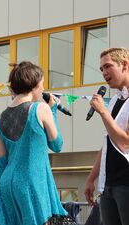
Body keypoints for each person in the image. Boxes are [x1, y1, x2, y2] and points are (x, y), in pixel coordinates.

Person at [0, 61, 67, 225]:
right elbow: (57, 145)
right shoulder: (40, 109)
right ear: (33, 85)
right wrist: (53, 111)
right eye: (41, 84)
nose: (43, 89)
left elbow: (1, 161)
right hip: (31, 183)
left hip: (7, 185)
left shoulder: (1, 117)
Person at [84, 47, 129, 225]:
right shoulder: (116, 100)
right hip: (108, 185)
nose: (104, 72)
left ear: (124, 64)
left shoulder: (107, 107)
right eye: (101, 69)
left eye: (108, 66)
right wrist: (91, 178)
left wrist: (102, 112)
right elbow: (108, 143)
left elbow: (125, 142)